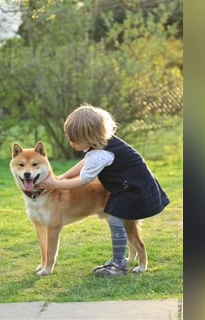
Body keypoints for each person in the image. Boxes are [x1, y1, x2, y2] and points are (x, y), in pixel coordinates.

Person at [37, 104, 170, 276]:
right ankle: (123, 259)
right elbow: (85, 162)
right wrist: (62, 177)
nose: (71, 143)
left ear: (90, 136)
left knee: (116, 221)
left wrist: (54, 184)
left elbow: (83, 180)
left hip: (135, 190)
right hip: (125, 187)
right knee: (117, 221)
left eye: (75, 140)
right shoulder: (101, 144)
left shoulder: (102, 154)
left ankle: (126, 263)